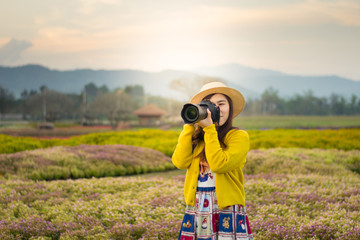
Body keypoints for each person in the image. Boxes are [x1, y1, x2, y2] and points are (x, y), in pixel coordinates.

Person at [172, 82, 253, 240]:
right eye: (209, 105)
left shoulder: (238, 136)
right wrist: (189, 126)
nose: (215, 109)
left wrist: (209, 129)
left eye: (221, 104)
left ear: (230, 108)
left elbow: (219, 165)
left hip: (226, 207)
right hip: (197, 206)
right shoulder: (199, 139)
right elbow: (180, 162)